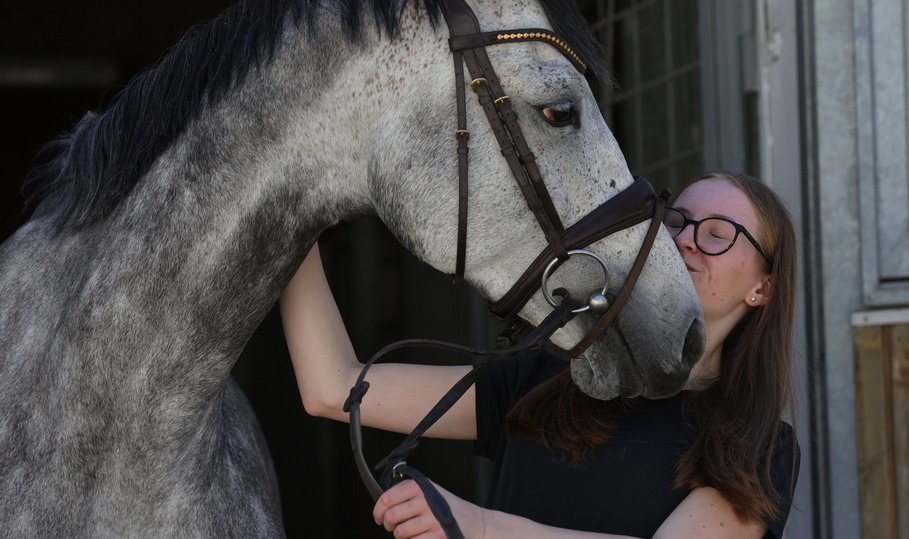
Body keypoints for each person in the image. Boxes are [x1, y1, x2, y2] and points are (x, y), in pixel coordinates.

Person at [280, 170, 800, 538]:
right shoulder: (552, 374)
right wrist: (285, 226)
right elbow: (334, 389)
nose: (685, 240)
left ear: (763, 288)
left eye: (717, 235)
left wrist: (482, 528)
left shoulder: (758, 442)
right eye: (676, 222)